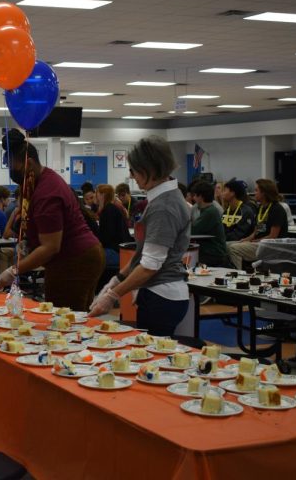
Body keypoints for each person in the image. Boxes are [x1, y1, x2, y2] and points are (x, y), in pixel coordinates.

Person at [90, 136, 191, 337]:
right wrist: (116, 280)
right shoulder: (163, 199)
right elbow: (143, 255)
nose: (132, 176)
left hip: (162, 296)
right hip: (160, 294)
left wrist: (113, 295)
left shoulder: (164, 207)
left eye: (133, 171)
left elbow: (149, 266)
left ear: (149, 170)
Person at [0, 130, 104, 310]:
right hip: (77, 255)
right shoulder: (37, 180)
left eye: (12, 167)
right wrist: (27, 241)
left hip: (76, 259)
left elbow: (50, 247)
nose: (10, 172)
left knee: (63, 316)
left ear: (28, 163)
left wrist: (14, 270)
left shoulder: (47, 193)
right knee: (72, 315)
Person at [227, 178, 289, 270]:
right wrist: (246, 239)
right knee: (226, 245)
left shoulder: (276, 209)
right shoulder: (260, 208)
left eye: (256, 190)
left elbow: (273, 236)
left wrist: (255, 241)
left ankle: (239, 274)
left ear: (264, 193)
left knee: (234, 249)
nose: (254, 192)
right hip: (259, 242)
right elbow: (256, 232)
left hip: (270, 246)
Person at [189, 181, 231, 268]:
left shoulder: (210, 212)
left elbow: (193, 230)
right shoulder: (208, 210)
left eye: (195, 195)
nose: (193, 198)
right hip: (210, 252)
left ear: (201, 196)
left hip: (213, 253)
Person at [94, 184, 131, 268]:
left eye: (96, 193)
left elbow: (106, 237)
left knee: (90, 258)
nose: (95, 195)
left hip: (115, 251)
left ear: (102, 195)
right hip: (119, 249)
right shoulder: (111, 208)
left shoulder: (108, 211)